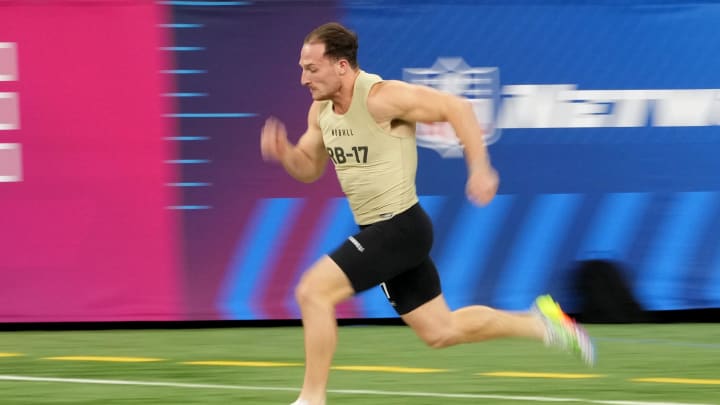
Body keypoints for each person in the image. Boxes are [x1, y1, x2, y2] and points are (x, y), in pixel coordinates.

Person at [260, 22, 595, 405]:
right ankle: (543, 324)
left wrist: (480, 168)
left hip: (401, 228)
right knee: (441, 331)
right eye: (301, 68)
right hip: (380, 232)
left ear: (340, 66)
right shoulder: (320, 112)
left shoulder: (381, 98)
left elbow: (458, 108)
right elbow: (309, 167)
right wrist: (286, 152)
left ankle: (312, 398)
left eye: (311, 68)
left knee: (313, 291)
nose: (303, 78)